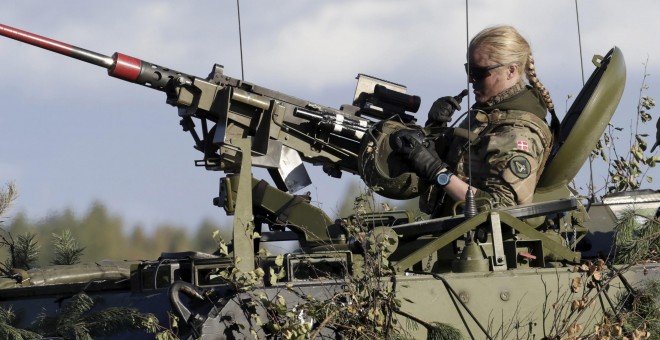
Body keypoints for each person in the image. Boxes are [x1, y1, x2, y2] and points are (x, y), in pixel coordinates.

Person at [394, 25, 555, 215]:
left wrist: (438, 174)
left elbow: (503, 210)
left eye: (479, 73)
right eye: (469, 70)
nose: (471, 80)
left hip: (479, 241)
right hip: (451, 232)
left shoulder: (518, 132)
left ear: (511, 71)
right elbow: (452, 166)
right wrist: (435, 128)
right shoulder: (486, 116)